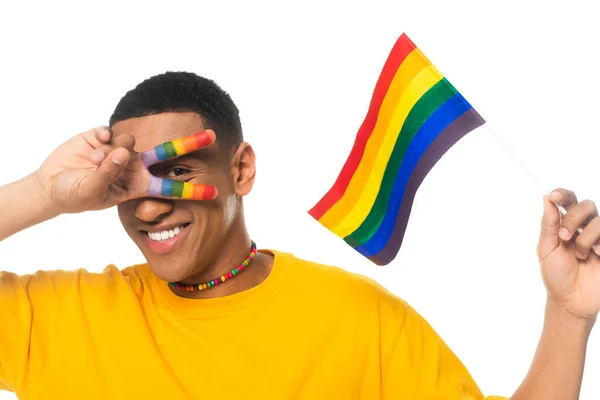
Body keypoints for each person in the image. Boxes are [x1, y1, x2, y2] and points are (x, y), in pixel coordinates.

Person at [0, 71, 597, 400]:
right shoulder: (58, 318)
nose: (150, 209)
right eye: (127, 184)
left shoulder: (359, 320)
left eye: (177, 173)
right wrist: (42, 190)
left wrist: (569, 314)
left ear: (241, 170)